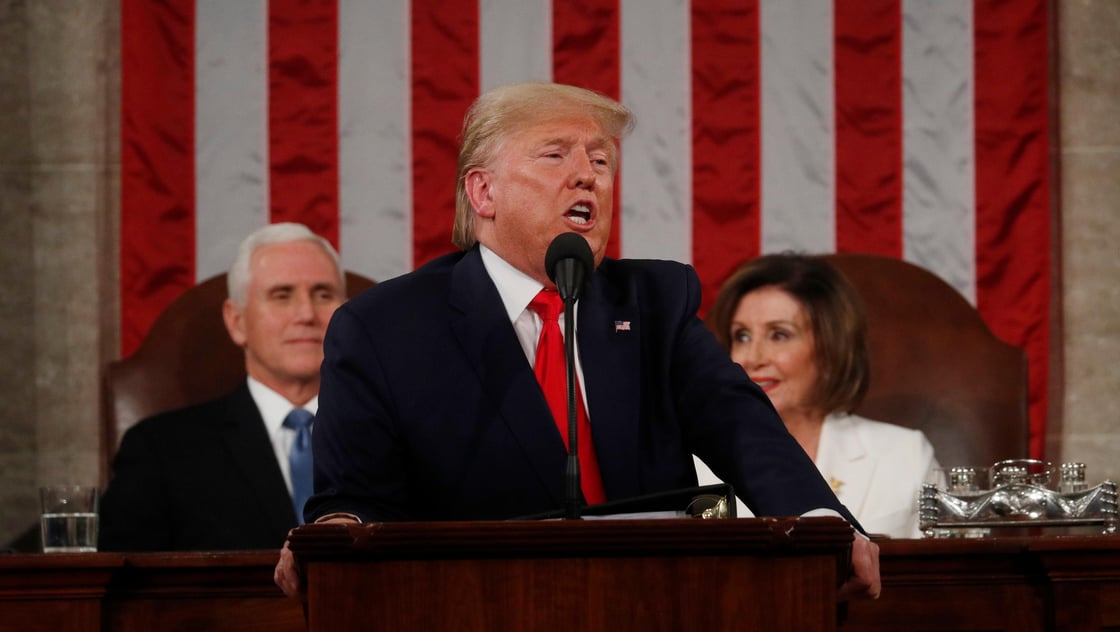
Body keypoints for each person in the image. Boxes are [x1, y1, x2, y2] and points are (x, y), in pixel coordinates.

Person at [274, 82, 879, 599]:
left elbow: (739, 424)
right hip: (474, 607)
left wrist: (821, 521)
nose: (586, 174)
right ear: (483, 193)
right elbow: (352, 499)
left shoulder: (653, 303)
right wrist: (336, 531)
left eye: (600, 160)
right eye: (555, 155)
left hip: (659, 602)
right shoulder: (385, 328)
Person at [99, 222, 346, 551]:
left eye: (323, 294)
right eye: (281, 295)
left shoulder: (396, 438)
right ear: (237, 322)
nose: (306, 314)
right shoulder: (162, 451)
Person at [696, 253, 940, 538]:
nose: (753, 358)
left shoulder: (904, 454)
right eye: (742, 336)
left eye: (779, 335)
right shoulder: (694, 464)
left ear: (830, 348)